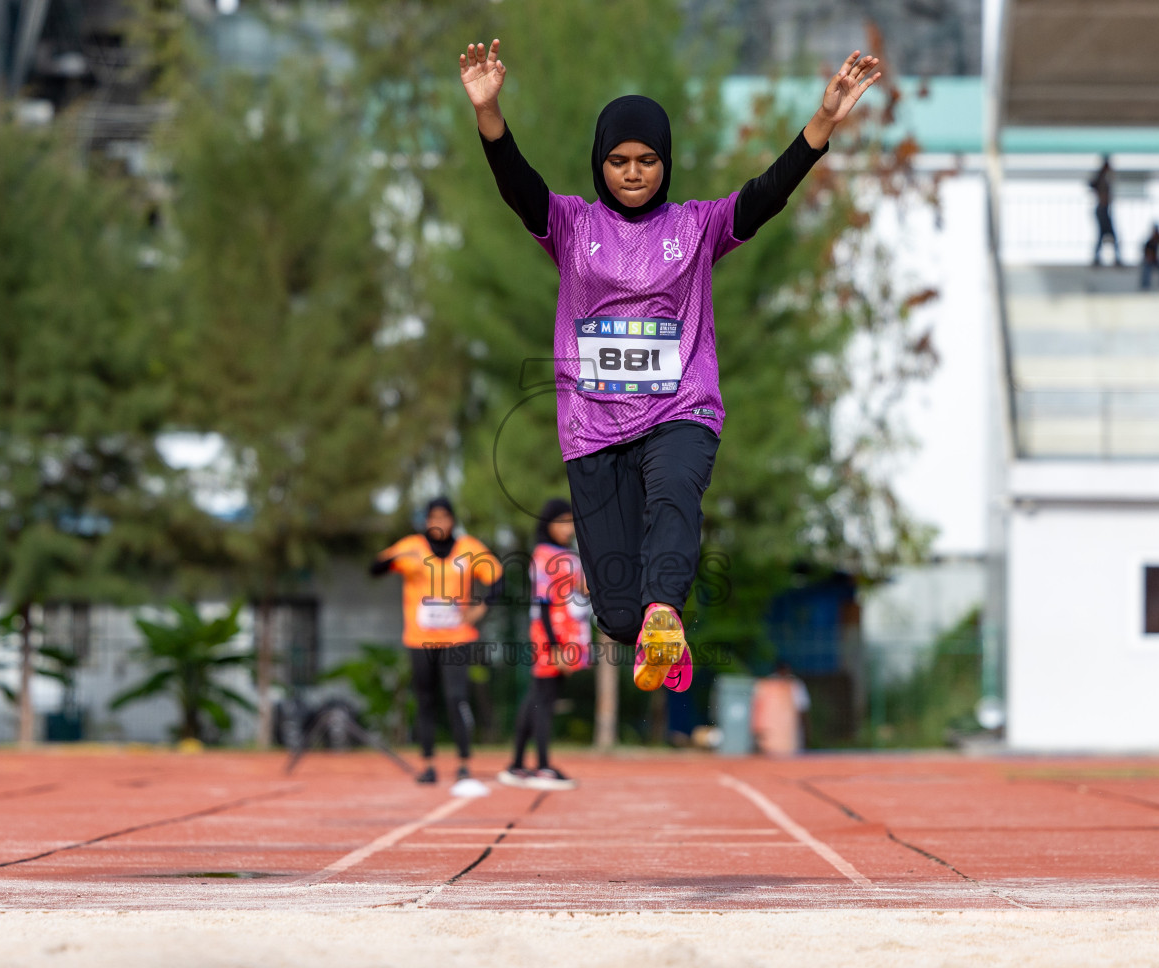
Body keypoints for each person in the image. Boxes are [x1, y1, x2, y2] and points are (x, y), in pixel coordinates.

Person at [458, 39, 880, 693]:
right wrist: (490, 116)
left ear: (666, 162)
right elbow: (520, 187)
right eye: (619, 161)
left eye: (647, 160)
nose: (634, 172)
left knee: (676, 496)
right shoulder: (570, 225)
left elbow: (767, 195)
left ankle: (665, 613)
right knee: (617, 615)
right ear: (601, 165)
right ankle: (652, 624)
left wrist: (820, 124)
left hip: (680, 407)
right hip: (593, 428)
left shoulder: (698, 227)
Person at [372, 498, 504, 784]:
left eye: (444, 517)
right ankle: (428, 764)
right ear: (426, 521)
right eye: (433, 517)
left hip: (457, 638)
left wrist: (481, 607)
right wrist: (397, 557)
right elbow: (376, 567)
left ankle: (464, 764)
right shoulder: (413, 547)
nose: (439, 523)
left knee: (456, 698)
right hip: (420, 639)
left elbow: (498, 578)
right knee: (425, 701)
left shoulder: (469, 548)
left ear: (453, 520)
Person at [500, 499, 587, 791]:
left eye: (570, 521)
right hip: (551, 635)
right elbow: (545, 603)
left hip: (568, 634)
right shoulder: (544, 555)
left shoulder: (568, 553)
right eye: (562, 521)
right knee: (545, 701)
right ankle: (543, 766)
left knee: (536, 697)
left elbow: (584, 589)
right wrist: (555, 646)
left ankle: (516, 765)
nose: (568, 527)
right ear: (547, 524)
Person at [1089, 157, 1120, 266]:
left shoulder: (1106, 178)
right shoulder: (1101, 178)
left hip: (1104, 209)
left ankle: (1099, 259)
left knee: (1107, 235)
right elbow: (1091, 185)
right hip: (1102, 210)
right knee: (1105, 235)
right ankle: (1098, 259)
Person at [1139, 224, 1159, 291]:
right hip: (1150, 262)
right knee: (1146, 268)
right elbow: (1147, 254)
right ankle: (1145, 287)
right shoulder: (1149, 242)